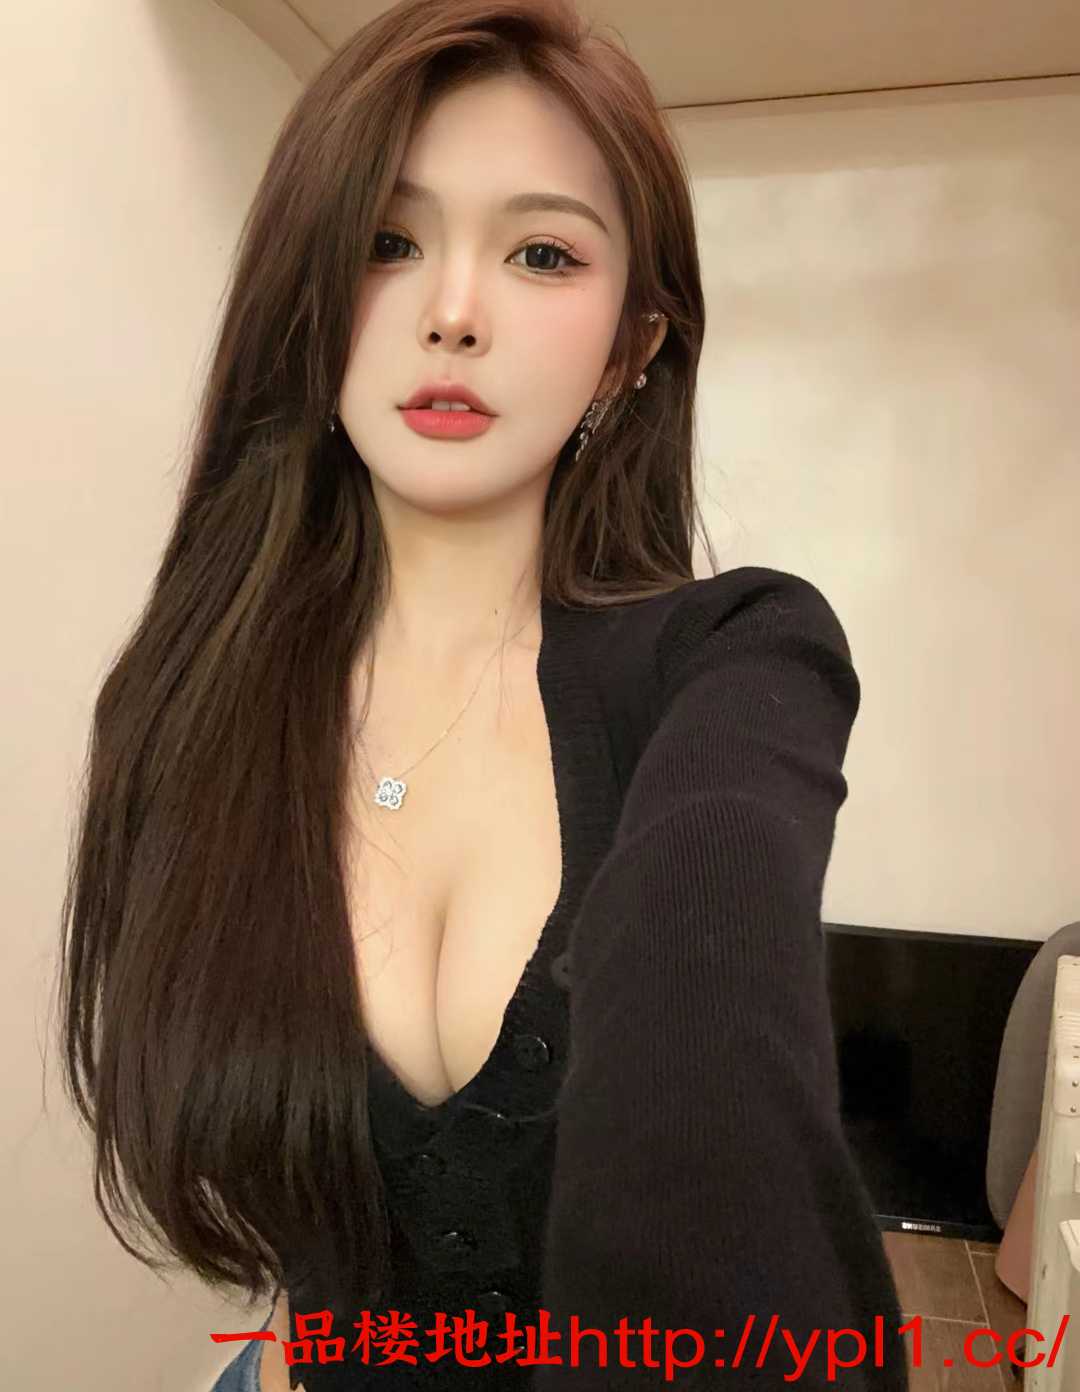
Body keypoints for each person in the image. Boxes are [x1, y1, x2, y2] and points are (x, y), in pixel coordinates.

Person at [55, 0, 909, 1388]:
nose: (452, 312)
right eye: (387, 241)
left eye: (542, 253)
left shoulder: (736, 663)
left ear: (631, 345)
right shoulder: (187, 701)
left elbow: (713, 1080)